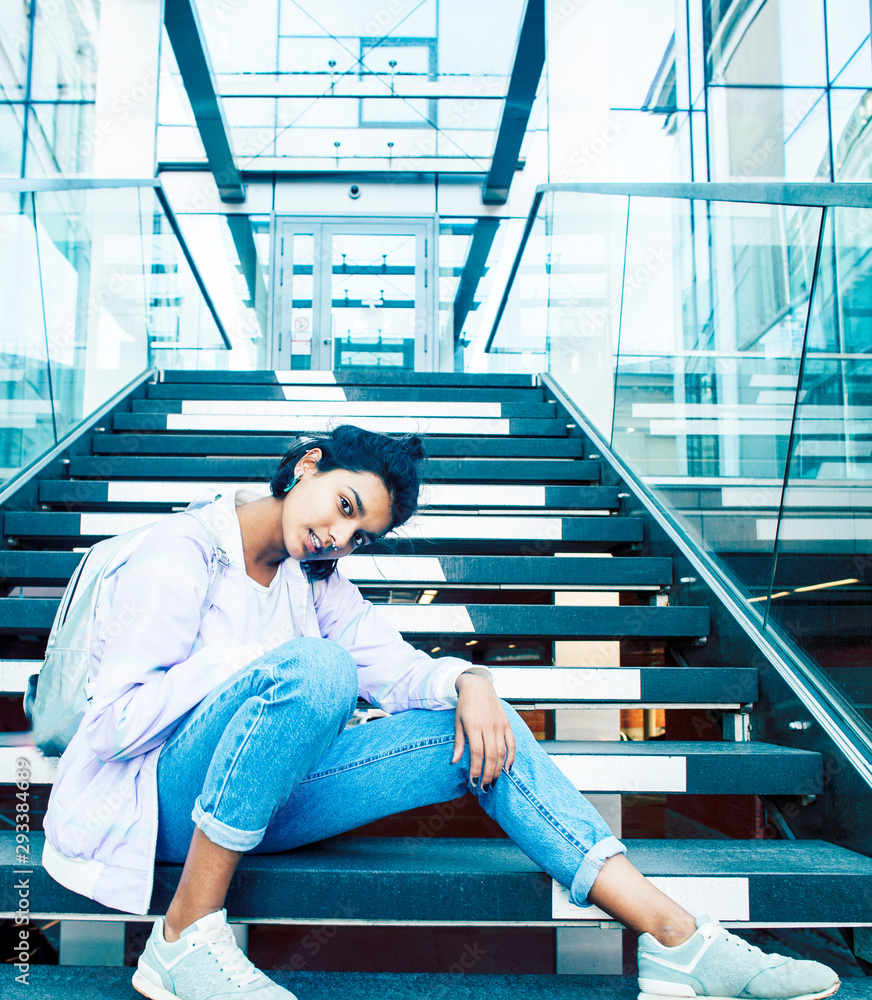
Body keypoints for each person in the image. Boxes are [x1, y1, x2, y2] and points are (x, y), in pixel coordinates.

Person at [41, 425, 840, 1000]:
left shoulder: (315, 582)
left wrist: (472, 683)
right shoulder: (179, 555)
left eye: (360, 533)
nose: (338, 536)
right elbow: (117, 724)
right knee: (318, 666)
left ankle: (676, 940)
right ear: (308, 465)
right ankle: (183, 936)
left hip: (263, 796)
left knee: (477, 728)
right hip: (158, 799)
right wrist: (253, 664)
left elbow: (400, 673)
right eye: (344, 505)